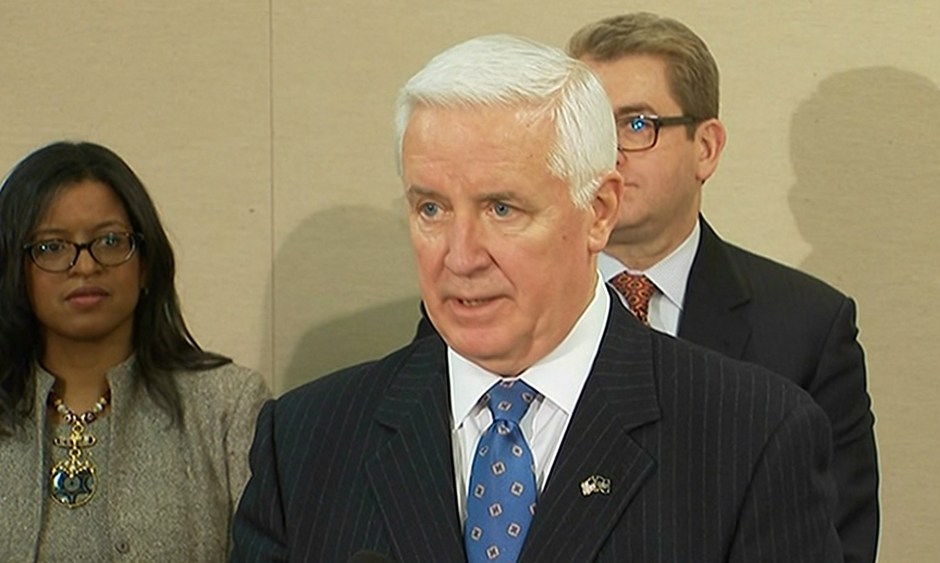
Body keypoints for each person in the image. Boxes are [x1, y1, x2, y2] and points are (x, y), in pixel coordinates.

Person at [231, 34, 841, 562]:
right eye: (431, 209)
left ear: (598, 212)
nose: (461, 256)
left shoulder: (752, 436)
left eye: (502, 209)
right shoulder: (306, 441)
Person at [565, 12, 879, 563]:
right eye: (588, 127)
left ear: (706, 147)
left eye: (636, 125)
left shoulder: (807, 329)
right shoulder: (496, 306)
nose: (606, 154)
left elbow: (835, 542)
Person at [0, 141, 271, 561]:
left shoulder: (226, 406)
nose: (86, 266)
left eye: (110, 240)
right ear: (13, 269)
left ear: (145, 263)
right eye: (51, 247)